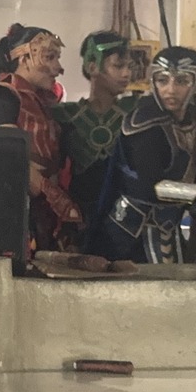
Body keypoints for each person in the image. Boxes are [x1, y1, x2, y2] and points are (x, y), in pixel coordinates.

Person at [106, 45, 196, 264]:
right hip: (133, 233)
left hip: (168, 225)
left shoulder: (190, 116)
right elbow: (153, 187)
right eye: (163, 80)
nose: (170, 90)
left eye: (181, 81)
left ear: (195, 82)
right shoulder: (144, 123)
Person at [0, 24, 73, 251]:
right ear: (25, 58)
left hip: (44, 212)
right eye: (49, 57)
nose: (57, 68)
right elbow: (10, 159)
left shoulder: (43, 102)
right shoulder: (2, 96)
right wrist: (57, 200)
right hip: (15, 211)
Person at [53, 31, 132, 255]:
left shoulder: (134, 112)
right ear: (92, 67)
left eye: (129, 66)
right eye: (118, 66)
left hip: (123, 214)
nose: (126, 73)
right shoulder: (65, 114)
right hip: (78, 216)